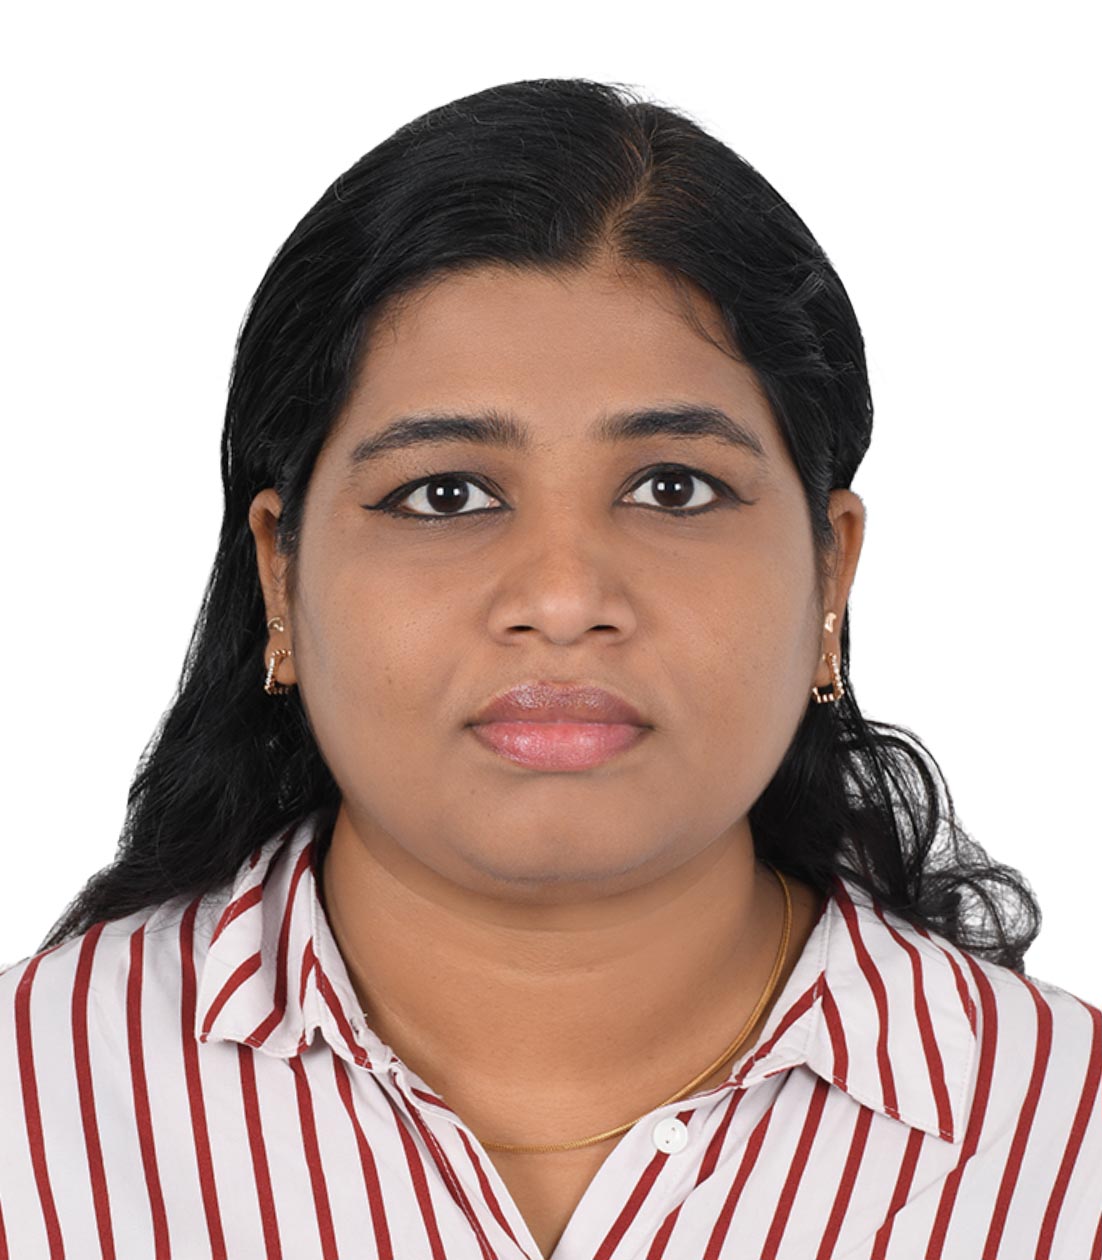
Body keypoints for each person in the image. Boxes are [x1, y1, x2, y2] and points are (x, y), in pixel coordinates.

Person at [1, 76, 1098, 1260]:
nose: (565, 600)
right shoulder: (29, 1106)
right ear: (280, 574)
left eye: (672, 488)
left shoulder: (1066, 1143)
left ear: (829, 569)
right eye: (446, 494)